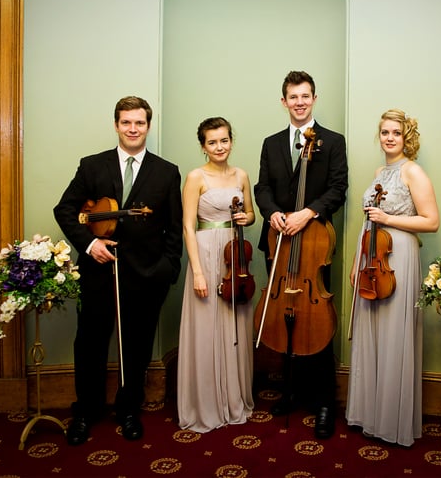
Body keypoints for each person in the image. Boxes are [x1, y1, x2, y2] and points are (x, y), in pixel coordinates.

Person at [54, 96, 183, 445]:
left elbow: (174, 228)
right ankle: (86, 411)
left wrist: (166, 270)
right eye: (126, 122)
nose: (133, 129)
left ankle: (129, 410)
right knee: (90, 343)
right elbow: (65, 210)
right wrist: (89, 244)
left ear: (148, 126)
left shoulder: (166, 171)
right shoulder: (92, 166)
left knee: (137, 347)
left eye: (139, 122)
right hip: (98, 273)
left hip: (146, 275)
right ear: (116, 125)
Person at [254, 70, 348, 439]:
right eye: (293, 97)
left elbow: (338, 188)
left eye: (305, 96)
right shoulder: (271, 143)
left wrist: (307, 213)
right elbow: (262, 187)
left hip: (314, 245)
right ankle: (291, 391)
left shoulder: (333, 141)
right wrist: (272, 214)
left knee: (316, 321)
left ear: (314, 99)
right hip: (278, 242)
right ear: (284, 102)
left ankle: (323, 401)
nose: (299, 102)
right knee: (284, 317)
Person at [345, 108, 439, 447]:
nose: (389, 138)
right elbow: (369, 220)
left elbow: (431, 221)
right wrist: (357, 262)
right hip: (372, 256)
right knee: (372, 331)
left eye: (396, 133)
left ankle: (391, 421)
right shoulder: (379, 172)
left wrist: (388, 218)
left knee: (394, 333)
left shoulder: (413, 171)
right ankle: (370, 414)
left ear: (406, 138)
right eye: (385, 132)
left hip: (398, 256)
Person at [176, 117, 256, 433]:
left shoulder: (242, 175)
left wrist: (246, 217)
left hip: (235, 256)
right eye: (212, 142)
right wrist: (197, 272)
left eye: (224, 140)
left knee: (235, 324)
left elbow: (251, 214)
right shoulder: (196, 177)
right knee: (207, 326)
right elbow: (188, 226)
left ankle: (233, 399)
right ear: (203, 146)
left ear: (231, 141)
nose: (219, 147)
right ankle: (206, 404)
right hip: (207, 253)